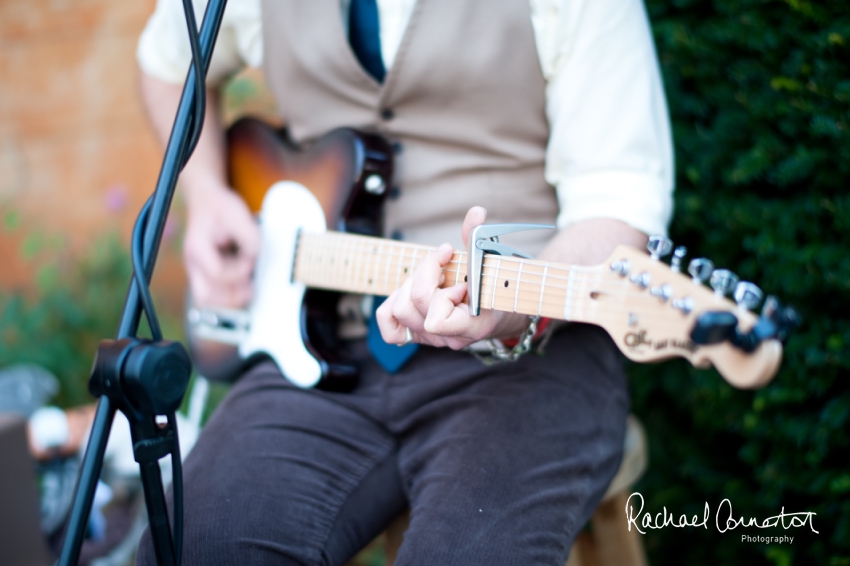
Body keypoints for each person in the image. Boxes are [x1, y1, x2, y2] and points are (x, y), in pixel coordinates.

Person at [136, 0, 673, 563]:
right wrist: (205, 194)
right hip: (316, 347)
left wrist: (508, 309)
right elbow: (166, 62)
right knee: (192, 549)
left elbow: (617, 202)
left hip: (531, 359)